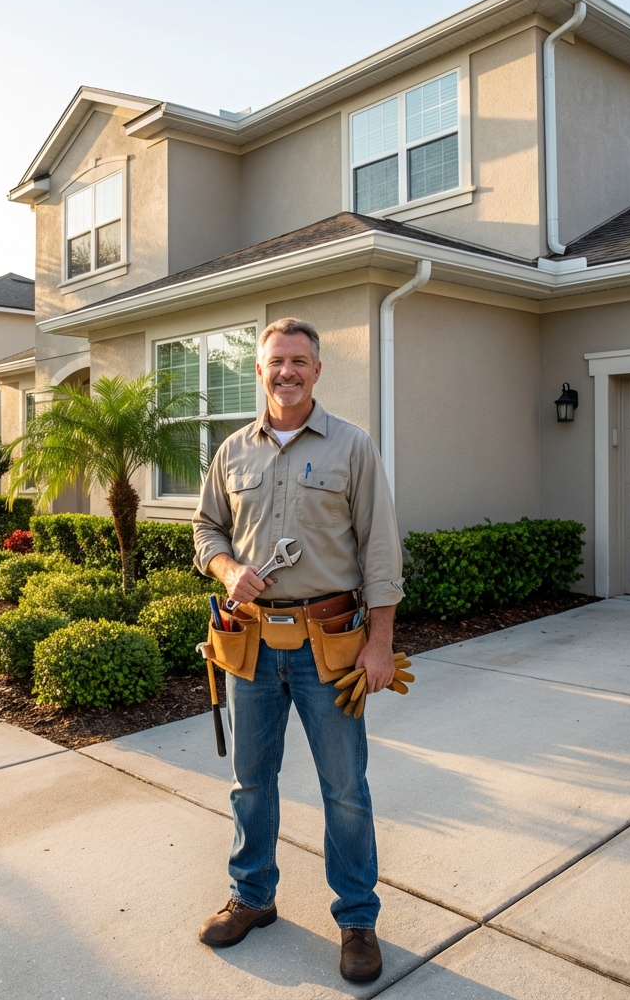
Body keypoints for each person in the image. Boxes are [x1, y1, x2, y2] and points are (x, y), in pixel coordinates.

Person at [192, 317, 404, 983]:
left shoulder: (353, 446)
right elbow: (206, 529)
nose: (287, 371)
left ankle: (358, 918)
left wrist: (380, 643)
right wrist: (228, 569)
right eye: (275, 361)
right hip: (250, 643)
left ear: (317, 370)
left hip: (329, 645)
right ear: (259, 371)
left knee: (344, 787)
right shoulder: (232, 452)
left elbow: (380, 549)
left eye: (299, 361)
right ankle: (252, 897)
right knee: (251, 782)